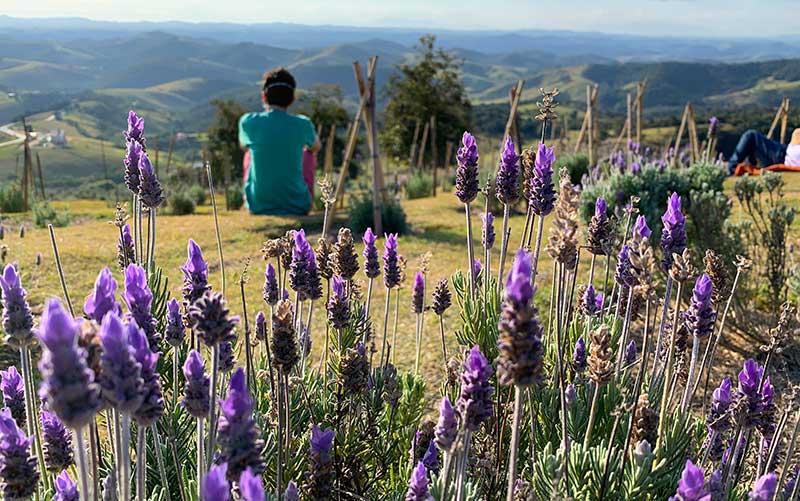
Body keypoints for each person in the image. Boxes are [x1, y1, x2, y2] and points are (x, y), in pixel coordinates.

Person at [239, 67, 320, 215]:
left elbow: (243, 146)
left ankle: (253, 196)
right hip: (298, 205)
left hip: (258, 205)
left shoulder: (248, 122)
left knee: (250, 153)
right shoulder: (303, 124)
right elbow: (316, 147)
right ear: (292, 98)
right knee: (307, 152)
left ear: (264, 96)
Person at [728, 128, 800, 175]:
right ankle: (749, 166)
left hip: (783, 157)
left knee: (751, 135)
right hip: (786, 150)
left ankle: (733, 168)